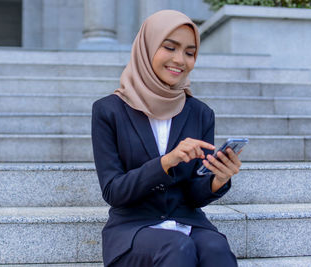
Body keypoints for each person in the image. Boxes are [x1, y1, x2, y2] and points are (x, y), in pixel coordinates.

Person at [91, 10, 241, 267]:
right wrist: (166, 162)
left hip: (188, 221)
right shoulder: (109, 110)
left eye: (190, 52)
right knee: (175, 247)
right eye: (169, 47)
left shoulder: (200, 113)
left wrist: (219, 178)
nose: (179, 60)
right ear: (147, 47)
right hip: (133, 229)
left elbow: (195, 196)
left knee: (217, 248)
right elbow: (113, 191)